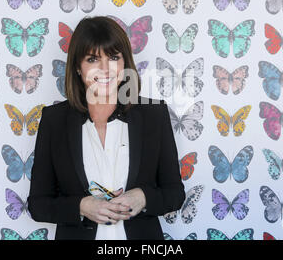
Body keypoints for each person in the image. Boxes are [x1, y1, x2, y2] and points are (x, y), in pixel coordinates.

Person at [27, 16, 185, 240]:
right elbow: (38, 204)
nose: (105, 69)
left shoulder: (154, 115)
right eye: (92, 59)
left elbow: (175, 194)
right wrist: (81, 206)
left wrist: (143, 198)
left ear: (124, 64)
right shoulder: (54, 120)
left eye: (113, 57)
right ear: (78, 68)